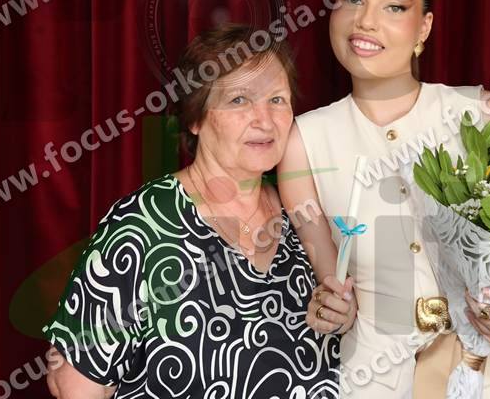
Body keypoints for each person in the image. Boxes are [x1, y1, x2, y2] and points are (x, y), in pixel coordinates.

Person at [278, 0, 490, 398]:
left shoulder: (484, 115)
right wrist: (332, 309)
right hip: (373, 379)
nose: (365, 20)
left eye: (393, 6)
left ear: (424, 27)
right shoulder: (304, 142)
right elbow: (332, 282)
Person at [43, 24, 346, 398]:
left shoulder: (305, 213)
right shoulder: (143, 225)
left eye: (277, 100)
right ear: (195, 118)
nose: (264, 119)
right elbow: (74, 382)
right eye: (239, 100)